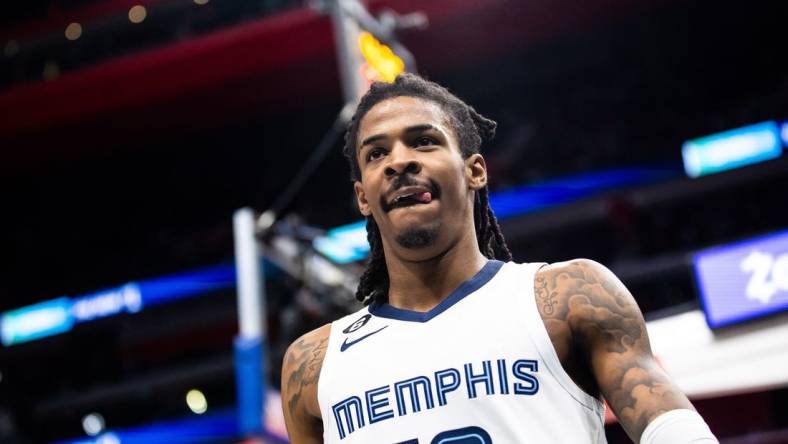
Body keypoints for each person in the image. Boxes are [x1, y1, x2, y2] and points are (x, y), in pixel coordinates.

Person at [281, 74, 717, 443]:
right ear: (362, 196)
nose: (399, 162)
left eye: (423, 141)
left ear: (475, 170)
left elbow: (675, 431)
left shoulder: (567, 296)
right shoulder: (313, 364)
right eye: (376, 154)